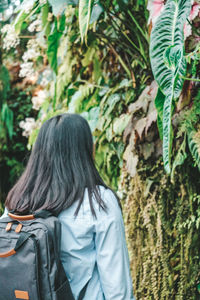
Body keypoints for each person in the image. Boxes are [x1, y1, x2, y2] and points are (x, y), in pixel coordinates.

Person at [1, 113, 135, 300]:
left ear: (40, 151)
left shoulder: (17, 201)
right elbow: (117, 287)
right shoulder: (99, 202)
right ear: (85, 150)